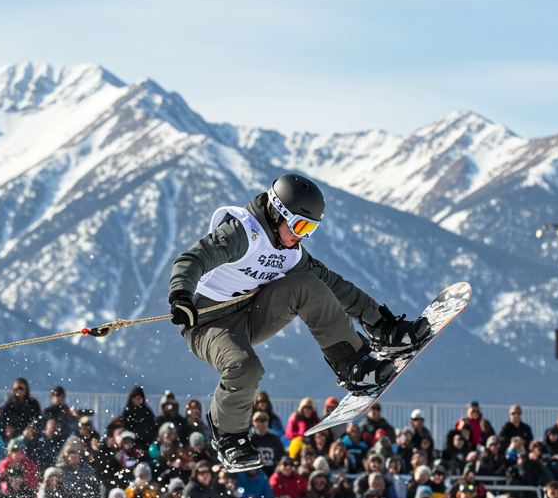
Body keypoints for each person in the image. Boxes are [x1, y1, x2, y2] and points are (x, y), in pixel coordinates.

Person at [168, 174, 428, 471]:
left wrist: (382, 322)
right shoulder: (242, 233)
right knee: (245, 366)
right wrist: (181, 297)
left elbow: (335, 286)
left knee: (311, 284)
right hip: (207, 322)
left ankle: (355, 364)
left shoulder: (290, 252)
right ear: (277, 212)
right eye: (300, 226)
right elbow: (191, 260)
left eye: (310, 229)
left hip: (250, 315)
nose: (301, 236)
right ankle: (229, 435)